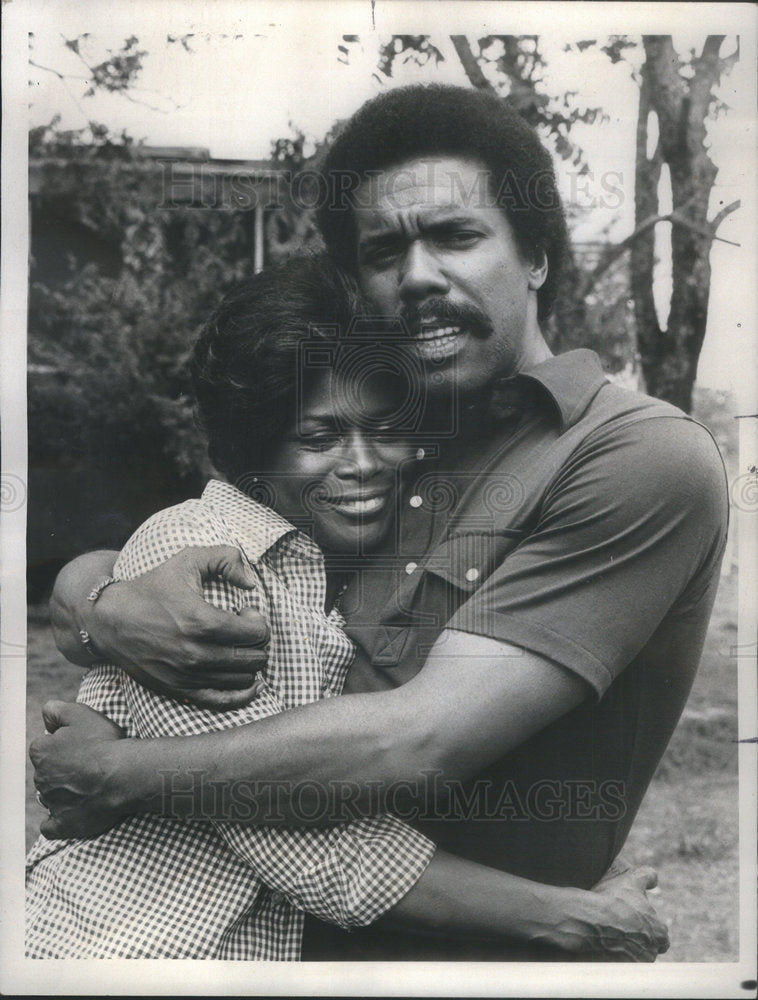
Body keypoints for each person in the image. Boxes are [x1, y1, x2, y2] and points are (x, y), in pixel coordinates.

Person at [32, 84, 728, 961]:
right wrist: (99, 600)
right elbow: (205, 539)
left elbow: (417, 742)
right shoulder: (381, 440)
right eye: (384, 250)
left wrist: (125, 775)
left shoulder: (633, 456)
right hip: (259, 950)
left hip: (467, 967)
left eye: (457, 235)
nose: (420, 275)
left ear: (539, 255)